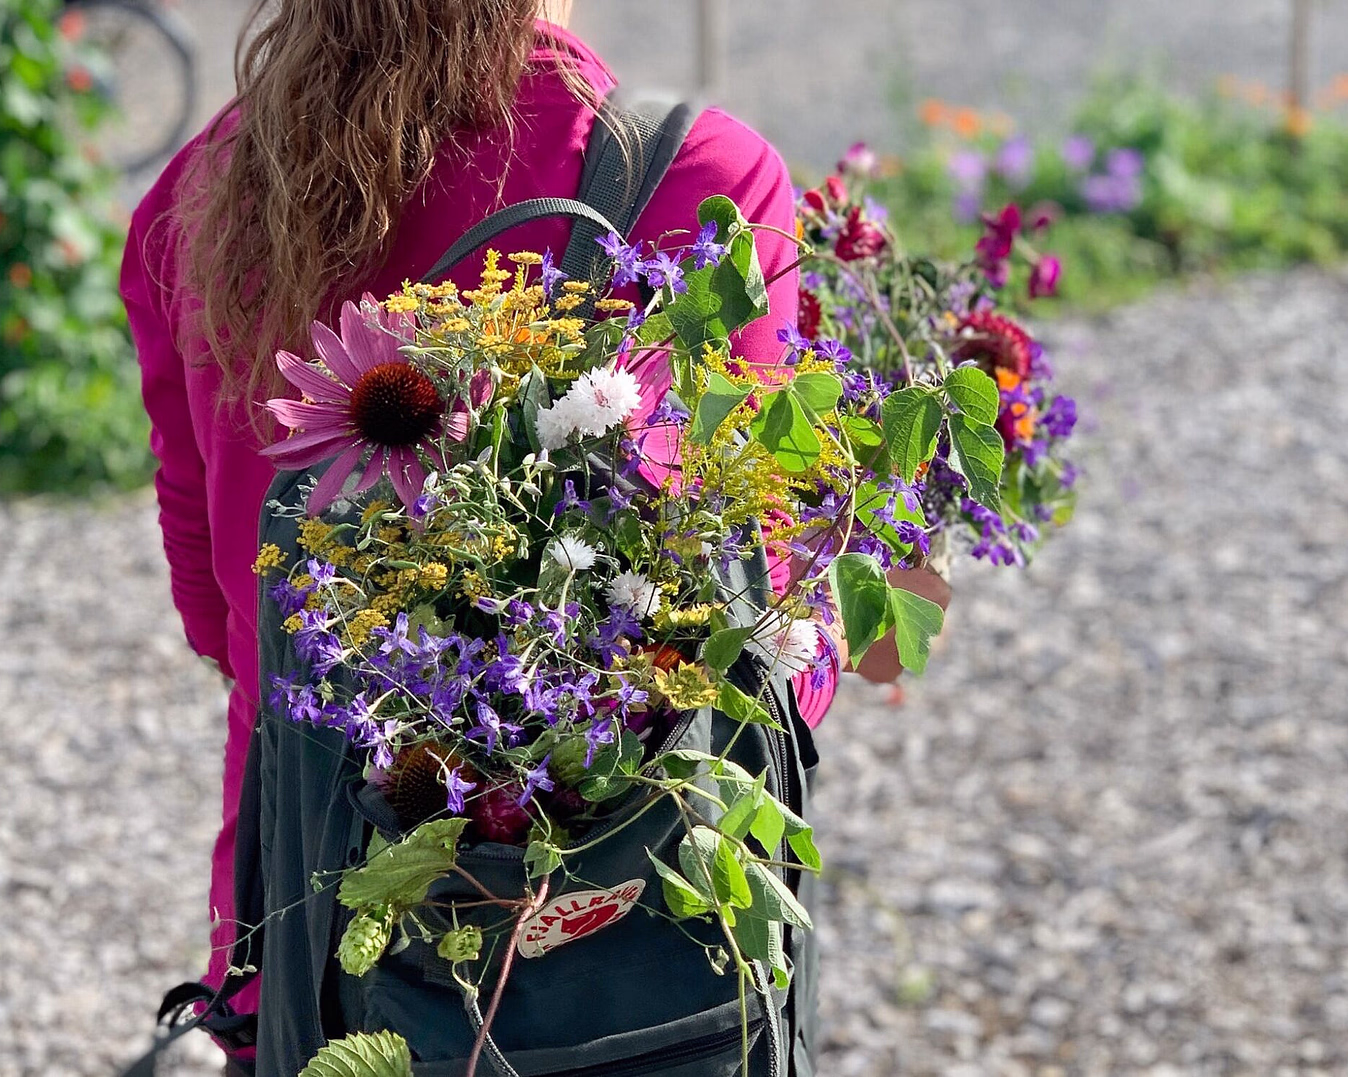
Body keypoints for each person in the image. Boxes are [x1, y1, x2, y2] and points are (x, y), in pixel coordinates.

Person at [121, 0, 945, 1068]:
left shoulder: (200, 199)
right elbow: (762, 673)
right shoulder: (703, 181)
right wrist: (899, 560)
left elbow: (220, 616)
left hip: (308, 940)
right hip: (626, 971)